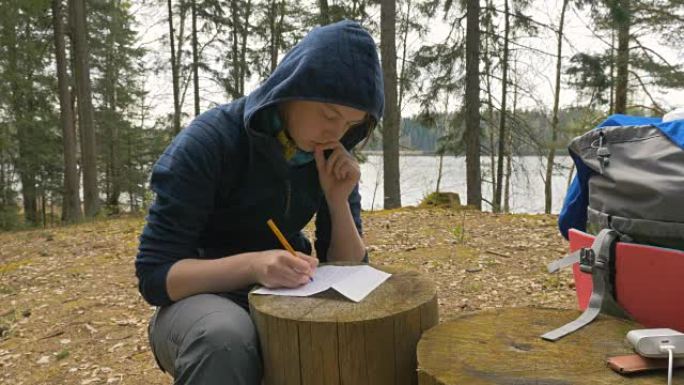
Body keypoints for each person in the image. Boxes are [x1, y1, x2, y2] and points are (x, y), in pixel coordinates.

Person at [135, 19, 384, 384]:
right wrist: (254, 265)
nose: (335, 132)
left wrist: (337, 201)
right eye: (329, 115)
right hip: (197, 299)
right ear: (291, 88)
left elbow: (347, 268)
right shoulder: (210, 142)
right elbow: (155, 276)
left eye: (349, 124)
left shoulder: (328, 156)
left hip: (283, 294)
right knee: (226, 339)